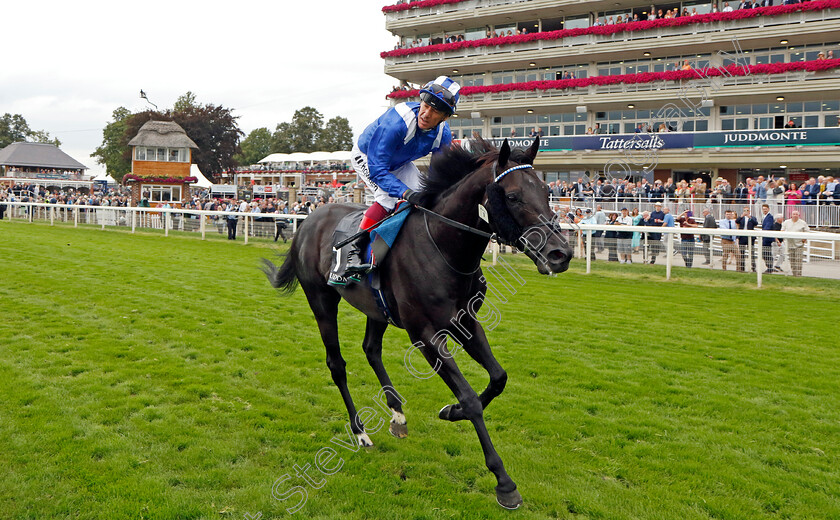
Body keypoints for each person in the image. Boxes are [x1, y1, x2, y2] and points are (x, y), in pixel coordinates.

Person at [344, 76, 459, 276]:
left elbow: (436, 177)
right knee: (388, 198)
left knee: (427, 200)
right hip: (368, 157)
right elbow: (378, 170)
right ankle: (353, 250)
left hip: (400, 163)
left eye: (435, 111)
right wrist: (405, 193)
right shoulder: (396, 122)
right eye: (425, 105)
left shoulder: (444, 134)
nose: (426, 113)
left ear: (445, 117)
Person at [781, 211, 810, 277]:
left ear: (798, 215)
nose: (795, 215)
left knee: (798, 261)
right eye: (794, 214)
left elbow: (807, 231)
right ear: (791, 215)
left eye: (796, 214)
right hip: (789, 244)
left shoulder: (803, 223)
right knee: (792, 260)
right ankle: (794, 274)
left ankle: (799, 275)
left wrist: (804, 239)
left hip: (799, 245)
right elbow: (782, 230)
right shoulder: (786, 222)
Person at [736, 207, 758, 272]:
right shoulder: (741, 218)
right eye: (745, 210)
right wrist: (741, 216)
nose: (746, 212)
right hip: (742, 237)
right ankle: (742, 267)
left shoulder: (752, 218)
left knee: (751, 252)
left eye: (747, 210)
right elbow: (737, 221)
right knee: (742, 253)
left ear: (749, 211)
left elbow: (756, 223)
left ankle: (753, 267)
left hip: (750, 237)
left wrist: (749, 217)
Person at [759, 204, 776, 273]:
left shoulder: (770, 217)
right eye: (763, 209)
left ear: (768, 209)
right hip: (765, 237)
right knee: (765, 253)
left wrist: (763, 232)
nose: (764, 210)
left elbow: (768, 226)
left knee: (767, 253)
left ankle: (770, 267)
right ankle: (769, 267)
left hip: (767, 238)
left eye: (766, 209)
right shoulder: (764, 217)